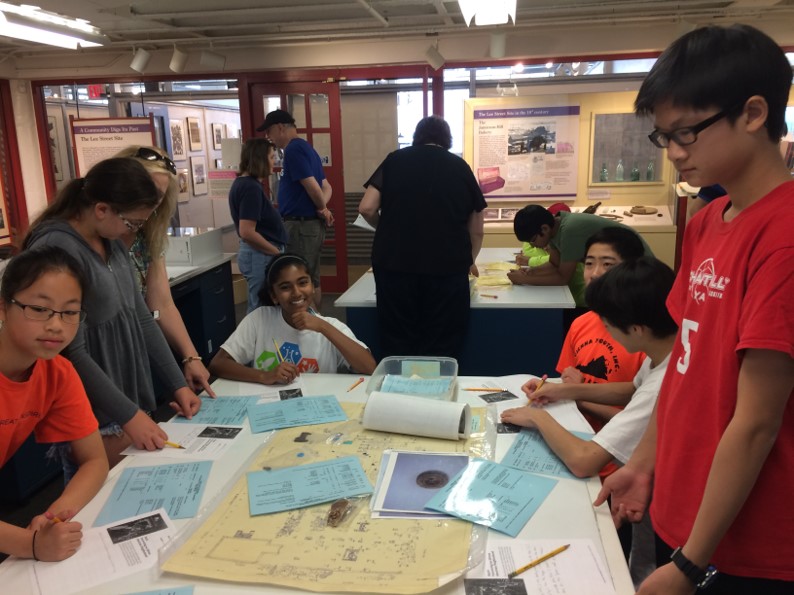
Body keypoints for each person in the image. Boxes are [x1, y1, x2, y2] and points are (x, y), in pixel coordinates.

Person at [594, 24, 794, 594]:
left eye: (686, 134)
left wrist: (689, 564)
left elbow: (757, 422)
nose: (675, 154)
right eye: (664, 137)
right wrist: (645, 464)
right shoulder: (708, 221)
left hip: (746, 544)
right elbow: (680, 365)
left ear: (753, 113)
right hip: (685, 510)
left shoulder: (784, 236)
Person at [502, 256, 677, 586]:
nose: (605, 331)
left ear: (637, 329)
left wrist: (538, 418)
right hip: (657, 490)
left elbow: (585, 460)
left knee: (643, 572)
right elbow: (630, 387)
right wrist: (563, 391)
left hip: (665, 507)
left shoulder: (665, 382)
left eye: (608, 325)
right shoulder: (669, 347)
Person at [23, 158, 201, 469]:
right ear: (102, 209)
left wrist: (177, 383)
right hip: (93, 410)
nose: (133, 231)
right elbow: (71, 351)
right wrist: (128, 415)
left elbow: (141, 318)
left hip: (126, 405)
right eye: (132, 223)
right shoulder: (58, 249)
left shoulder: (112, 242)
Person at [0, 247, 108, 561]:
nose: (56, 325)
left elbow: (94, 461)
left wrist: (53, 519)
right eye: (39, 308)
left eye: (70, 312)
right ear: (4, 308)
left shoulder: (56, 372)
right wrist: (30, 545)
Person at [358, 115, 487, 359]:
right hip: (447, 270)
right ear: (446, 139)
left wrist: (386, 227)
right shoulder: (460, 167)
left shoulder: (395, 160)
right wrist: (469, 260)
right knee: (442, 341)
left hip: (394, 266)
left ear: (418, 137)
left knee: (398, 338)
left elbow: (366, 208)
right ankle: (436, 391)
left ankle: (398, 390)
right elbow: (477, 229)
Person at [115, 145, 215, 396]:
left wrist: (191, 358)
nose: (150, 204)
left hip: (131, 352)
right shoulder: (95, 237)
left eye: (158, 196)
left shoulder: (147, 234)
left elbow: (160, 305)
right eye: (145, 191)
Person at [209, 253, 375, 384]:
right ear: (274, 295)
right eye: (285, 287)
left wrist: (323, 327)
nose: (296, 293)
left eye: (303, 283)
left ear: (312, 286)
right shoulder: (259, 319)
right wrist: (264, 376)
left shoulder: (330, 325)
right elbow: (218, 364)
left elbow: (370, 367)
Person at [507, 204, 652, 308]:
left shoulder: (569, 230)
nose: (532, 246)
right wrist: (531, 272)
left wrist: (525, 279)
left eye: (533, 240)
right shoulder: (554, 229)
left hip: (637, 265)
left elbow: (563, 278)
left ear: (544, 228)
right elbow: (554, 264)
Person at [258, 109, 332, 307]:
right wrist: (323, 208)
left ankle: (309, 326)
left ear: (280, 127)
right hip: (309, 225)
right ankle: (315, 323)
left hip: (301, 226)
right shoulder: (308, 148)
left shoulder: (293, 150)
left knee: (299, 278)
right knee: (312, 277)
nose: (268, 137)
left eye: (269, 131)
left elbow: (314, 187)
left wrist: (321, 207)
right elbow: (327, 186)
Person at [228, 138, 289, 313]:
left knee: (265, 305)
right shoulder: (250, 188)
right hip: (260, 255)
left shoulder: (245, 184)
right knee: (260, 308)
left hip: (259, 254)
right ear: (260, 159)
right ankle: (256, 341)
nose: (274, 161)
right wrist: (276, 252)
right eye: (271, 157)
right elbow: (247, 232)